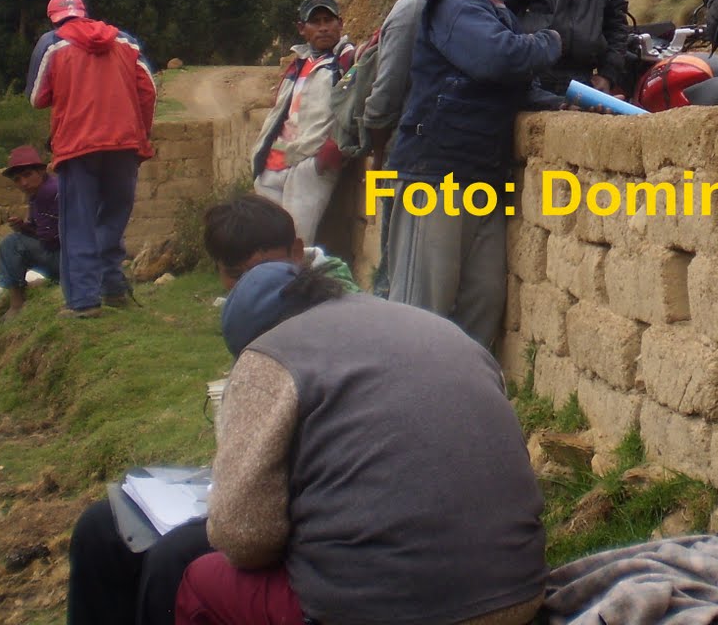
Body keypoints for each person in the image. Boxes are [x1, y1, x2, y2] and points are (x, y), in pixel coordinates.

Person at [173, 258, 547, 625]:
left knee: (202, 581)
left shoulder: (268, 355)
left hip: (383, 608)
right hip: (518, 591)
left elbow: (244, 537)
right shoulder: (439, 329)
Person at [66, 195, 348, 625]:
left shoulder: (327, 310)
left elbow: (251, 534)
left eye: (264, 271)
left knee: (174, 560)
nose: (251, 286)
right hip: (280, 484)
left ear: (297, 253)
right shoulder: (268, 311)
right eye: (236, 275)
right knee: (101, 526)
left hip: (325, 515)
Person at [384, 0, 564, 348]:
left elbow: (516, 87)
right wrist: (550, 41)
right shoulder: (455, 8)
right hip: (436, 176)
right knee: (423, 309)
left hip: (481, 178)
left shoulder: (494, 14)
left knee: (481, 303)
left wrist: (568, 105)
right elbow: (498, 59)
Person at [29, 0, 157, 318]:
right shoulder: (125, 41)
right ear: (84, 12)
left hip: (77, 144)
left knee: (78, 222)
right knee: (113, 215)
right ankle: (113, 287)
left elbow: (37, 97)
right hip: (124, 143)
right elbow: (148, 90)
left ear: (54, 18)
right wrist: (140, 133)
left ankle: (84, 301)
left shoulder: (52, 42)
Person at [362, 0, 456, 295]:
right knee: (397, 266)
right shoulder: (414, 9)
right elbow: (386, 89)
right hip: (405, 155)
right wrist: (378, 151)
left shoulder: (456, 8)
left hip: (435, 156)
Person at [250, 0, 352, 246]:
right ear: (302, 28)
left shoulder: (347, 61)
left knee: (297, 244)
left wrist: (330, 150)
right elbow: (280, 111)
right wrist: (260, 157)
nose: (323, 27)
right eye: (315, 22)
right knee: (268, 244)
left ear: (340, 23)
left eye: (328, 20)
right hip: (273, 165)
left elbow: (356, 104)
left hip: (309, 163)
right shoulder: (298, 64)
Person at [0, 144, 61, 319]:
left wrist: (25, 230)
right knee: (16, 239)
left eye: (27, 175)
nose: (23, 183)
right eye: (17, 179)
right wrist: (24, 227)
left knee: (11, 243)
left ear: (41, 171)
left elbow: (50, 239)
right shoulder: (39, 192)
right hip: (74, 259)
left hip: (69, 259)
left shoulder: (48, 192)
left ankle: (16, 304)